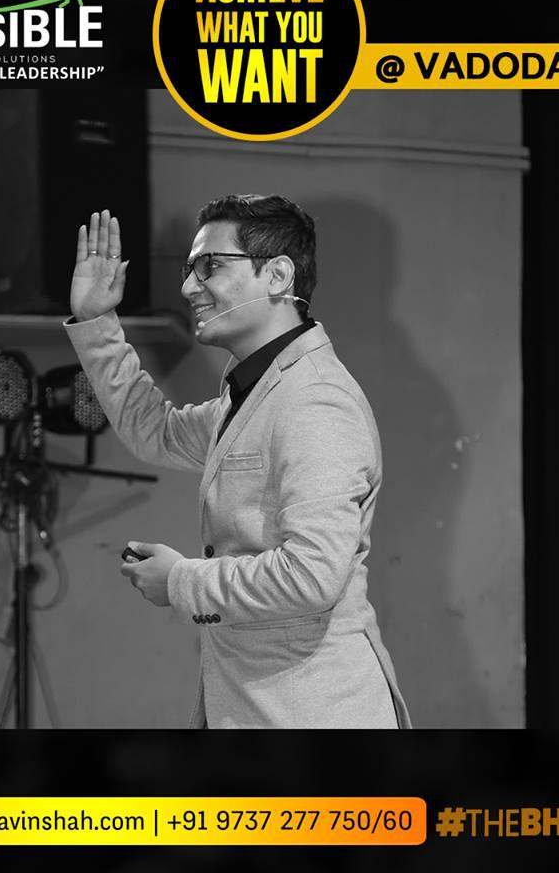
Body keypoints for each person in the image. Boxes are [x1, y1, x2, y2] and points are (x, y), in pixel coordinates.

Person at [64, 195, 411, 728]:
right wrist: (96, 322)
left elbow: (311, 576)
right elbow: (154, 430)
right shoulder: (256, 389)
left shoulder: (315, 401)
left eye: (210, 266)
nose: (188, 287)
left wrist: (180, 581)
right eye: (189, 269)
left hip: (312, 712)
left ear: (277, 275)